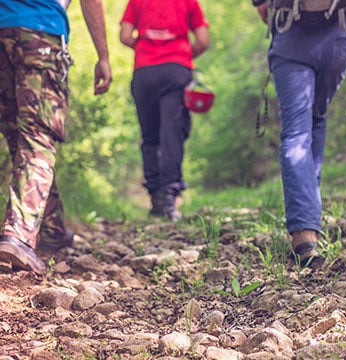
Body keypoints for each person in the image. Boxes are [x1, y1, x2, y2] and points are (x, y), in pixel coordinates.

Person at [0, 0, 112, 275]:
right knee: (37, 139)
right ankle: (19, 236)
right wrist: (104, 57)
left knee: (19, 137)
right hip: (40, 33)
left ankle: (52, 228)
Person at [252, 0, 346, 266]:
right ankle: (309, 211)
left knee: (297, 132)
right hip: (340, 37)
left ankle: (304, 234)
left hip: (292, 37)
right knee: (315, 118)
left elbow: (264, 10)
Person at [119, 0, 210, 222]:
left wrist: (144, 46)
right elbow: (203, 40)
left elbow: (124, 36)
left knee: (150, 135)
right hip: (176, 68)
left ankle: (155, 197)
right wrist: (183, 54)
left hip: (145, 71)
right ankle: (169, 197)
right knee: (172, 134)